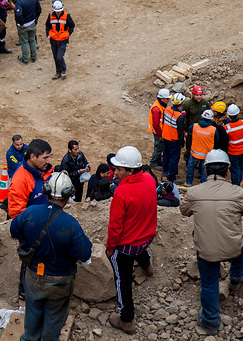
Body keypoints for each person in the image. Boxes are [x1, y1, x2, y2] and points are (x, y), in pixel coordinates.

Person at [180, 149, 243, 336]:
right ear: (227, 171)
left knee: (209, 284)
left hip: (206, 252)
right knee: (242, 239)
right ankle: (236, 278)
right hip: (232, 248)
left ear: (205, 170)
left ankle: (210, 322)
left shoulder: (194, 192)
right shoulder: (237, 192)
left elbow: (183, 211)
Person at [10, 171, 92, 341]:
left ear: (46, 191)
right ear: (69, 194)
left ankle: (30, 337)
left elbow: (14, 230)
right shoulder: (71, 224)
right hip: (60, 280)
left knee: (33, 309)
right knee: (55, 315)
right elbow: (85, 255)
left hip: (33, 275)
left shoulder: (30, 212)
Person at [106, 147, 157, 335]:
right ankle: (147, 266)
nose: (115, 172)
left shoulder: (122, 192)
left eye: (119, 169)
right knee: (140, 250)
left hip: (126, 245)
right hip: (146, 237)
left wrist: (110, 248)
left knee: (123, 279)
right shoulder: (150, 180)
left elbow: (115, 227)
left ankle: (126, 319)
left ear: (131, 170)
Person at [8, 139, 54, 300]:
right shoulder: (21, 179)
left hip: (47, 222)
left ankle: (42, 284)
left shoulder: (43, 170)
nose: (49, 161)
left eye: (49, 157)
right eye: (45, 158)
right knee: (29, 260)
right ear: (33, 157)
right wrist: (31, 232)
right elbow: (17, 213)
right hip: (32, 230)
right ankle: (25, 290)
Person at [185, 109, 218, 186]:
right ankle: (203, 185)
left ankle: (188, 182)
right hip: (206, 154)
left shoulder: (195, 126)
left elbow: (189, 130)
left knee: (191, 168)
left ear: (202, 117)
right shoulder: (213, 129)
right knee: (204, 170)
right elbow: (217, 140)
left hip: (194, 153)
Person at [45, 0, 75, 80]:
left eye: (59, 11)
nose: (58, 12)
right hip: (54, 40)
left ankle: (63, 70)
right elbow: (47, 25)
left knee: (59, 57)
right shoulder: (50, 15)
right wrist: (48, 34)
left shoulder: (67, 16)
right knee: (55, 57)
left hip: (63, 40)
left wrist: (68, 34)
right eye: (56, 11)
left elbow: (72, 26)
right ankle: (58, 71)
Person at [224, 104, 243, 186]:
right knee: (240, 167)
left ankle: (236, 186)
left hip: (233, 152)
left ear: (229, 115)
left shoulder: (227, 128)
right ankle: (238, 183)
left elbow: (225, 142)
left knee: (235, 169)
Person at [161, 92, 186, 184]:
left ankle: (164, 173)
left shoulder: (167, 109)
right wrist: (182, 142)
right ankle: (172, 177)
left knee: (165, 156)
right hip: (174, 140)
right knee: (174, 159)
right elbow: (180, 131)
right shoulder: (180, 117)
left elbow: (164, 121)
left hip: (165, 137)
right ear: (181, 103)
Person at [182, 85, 210, 163]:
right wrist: (185, 130)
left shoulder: (205, 103)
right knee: (189, 147)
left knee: (201, 148)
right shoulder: (188, 104)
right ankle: (187, 162)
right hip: (191, 131)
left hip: (202, 131)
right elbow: (184, 118)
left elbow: (209, 115)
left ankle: (199, 164)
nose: (199, 97)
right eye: (197, 95)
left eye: (200, 95)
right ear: (193, 95)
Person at [15, 0, 42, 65]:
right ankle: (34, 57)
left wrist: (21, 23)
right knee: (32, 39)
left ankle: (25, 58)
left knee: (24, 42)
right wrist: (35, 19)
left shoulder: (19, 2)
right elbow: (39, 10)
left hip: (24, 25)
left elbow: (19, 15)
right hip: (32, 23)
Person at [147, 88, 171, 170]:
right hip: (158, 132)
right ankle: (153, 162)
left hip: (160, 130)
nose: (168, 100)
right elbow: (156, 124)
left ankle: (157, 160)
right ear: (162, 98)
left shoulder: (161, 105)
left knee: (160, 147)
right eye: (167, 98)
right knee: (158, 147)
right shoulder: (157, 109)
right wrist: (160, 135)